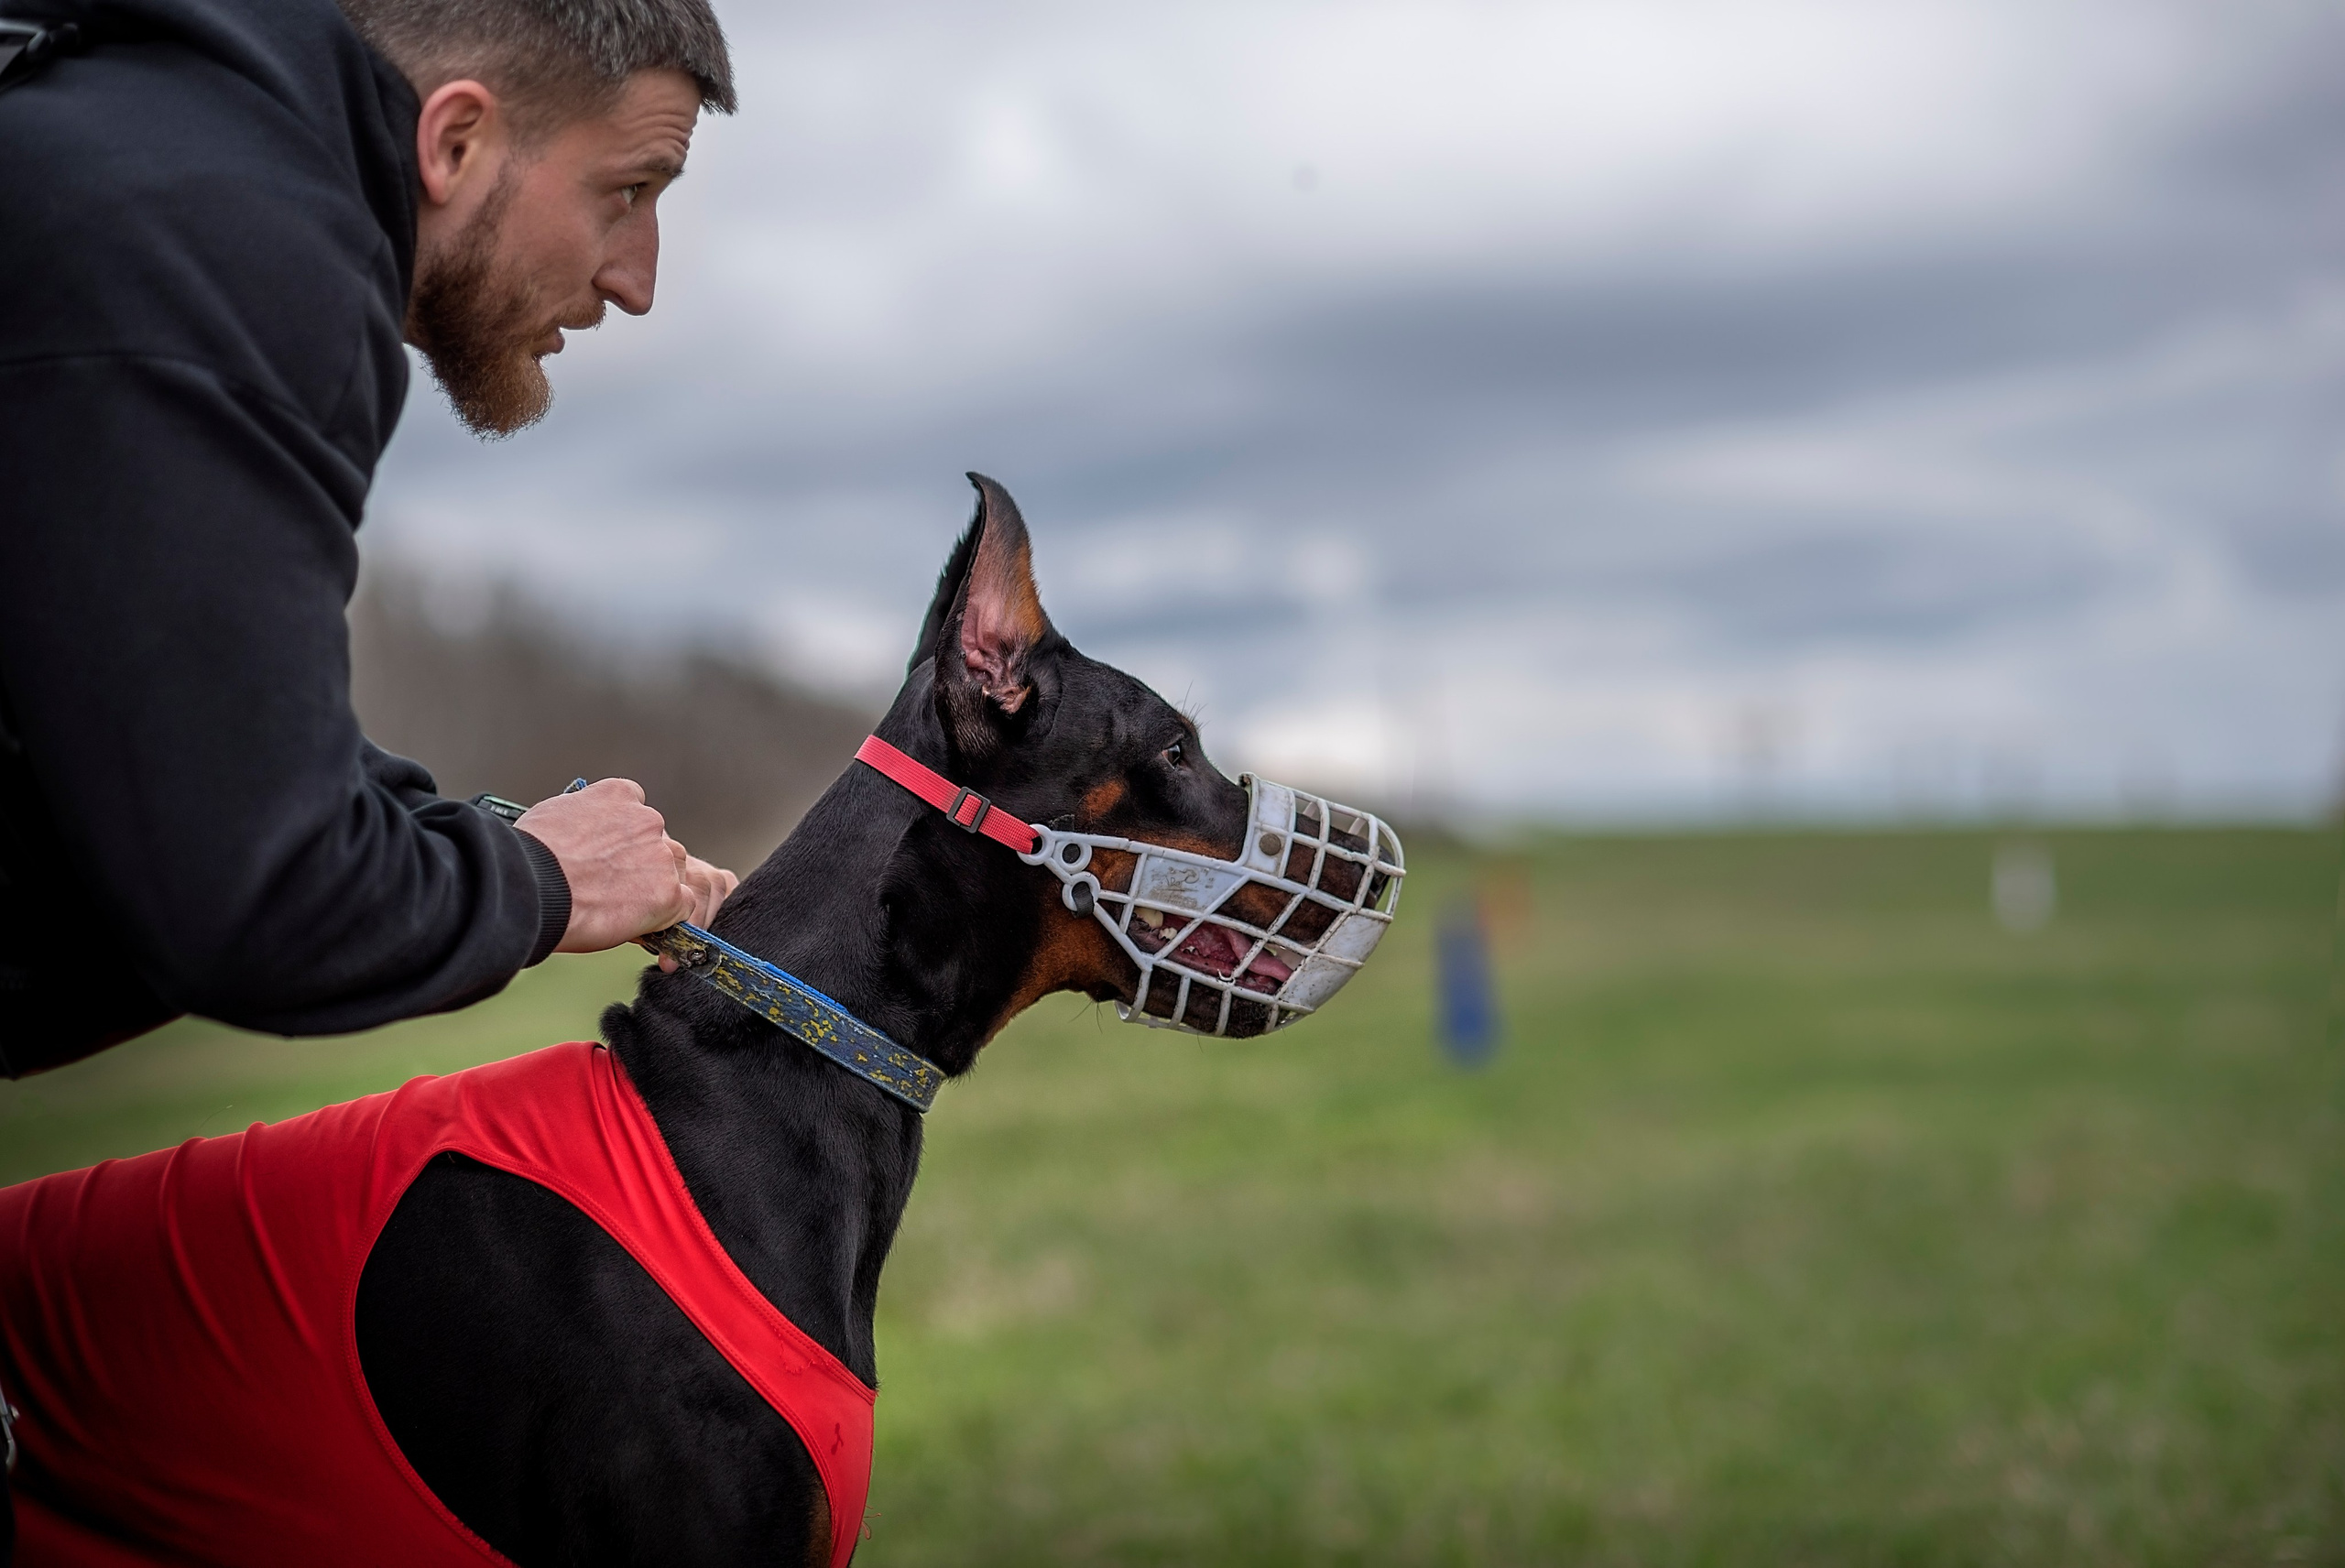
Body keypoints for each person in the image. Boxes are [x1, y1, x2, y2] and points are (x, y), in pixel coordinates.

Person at [0, 0, 744, 1083]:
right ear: (455, 140)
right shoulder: (233, 258)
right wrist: (544, 880)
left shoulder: (121, 130)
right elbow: (255, 897)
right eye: (625, 191)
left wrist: (475, 842)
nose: (636, 281)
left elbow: (164, 756)